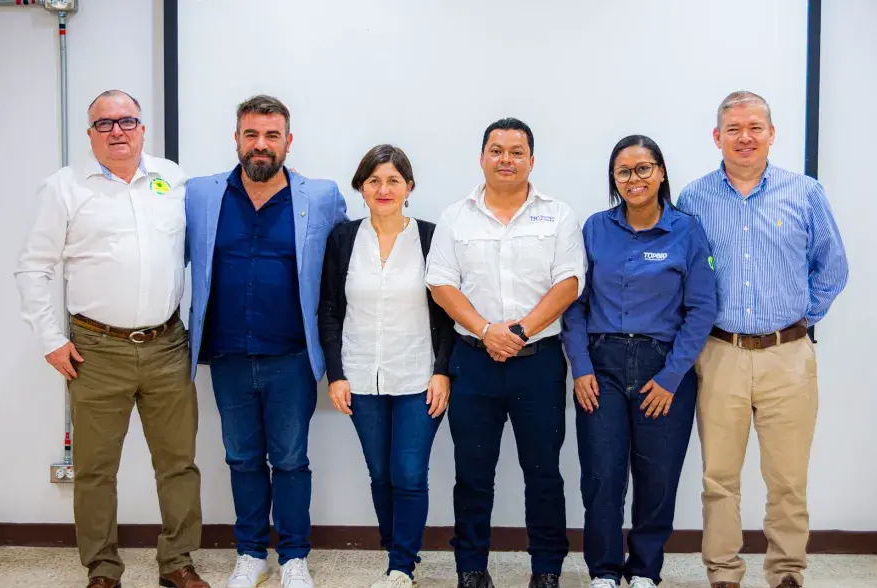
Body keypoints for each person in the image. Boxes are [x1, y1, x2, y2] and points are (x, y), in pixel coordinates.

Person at [14, 90, 209, 588]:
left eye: (126, 121)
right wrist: (50, 339)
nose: (116, 131)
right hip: (96, 350)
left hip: (167, 345)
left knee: (178, 463)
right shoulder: (64, 188)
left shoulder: (173, 180)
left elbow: (190, 252)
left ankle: (178, 562)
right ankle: (102, 568)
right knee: (95, 469)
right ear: (90, 134)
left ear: (142, 128)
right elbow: (33, 267)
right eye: (104, 124)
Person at [677, 91, 849, 588]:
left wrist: (800, 319)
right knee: (718, 478)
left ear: (772, 133)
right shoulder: (694, 199)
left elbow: (832, 267)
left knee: (788, 478)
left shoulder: (805, 193)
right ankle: (723, 572)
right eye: (733, 129)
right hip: (720, 353)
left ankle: (787, 571)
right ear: (717, 137)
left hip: (788, 357)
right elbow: (685, 276)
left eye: (755, 127)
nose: (745, 137)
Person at [185, 95, 348, 588]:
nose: (261, 144)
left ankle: (294, 556)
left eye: (271, 135)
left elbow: (339, 273)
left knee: (291, 460)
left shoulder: (321, 196)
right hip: (228, 354)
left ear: (288, 141)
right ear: (236, 139)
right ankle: (251, 553)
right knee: (241, 458)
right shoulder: (200, 194)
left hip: (292, 357)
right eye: (251, 134)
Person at [425, 118, 586, 588]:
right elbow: (441, 284)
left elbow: (569, 282)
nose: (506, 160)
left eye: (517, 152)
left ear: (532, 160)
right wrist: (486, 330)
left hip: (538, 363)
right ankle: (471, 568)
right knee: (472, 474)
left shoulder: (558, 215)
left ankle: (547, 570)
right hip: (473, 361)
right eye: (497, 151)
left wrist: (516, 332)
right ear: (482, 158)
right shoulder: (456, 217)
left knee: (544, 473)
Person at [561, 135, 718, 588]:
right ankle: (605, 571)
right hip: (602, 367)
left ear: (661, 172)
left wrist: (671, 377)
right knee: (602, 473)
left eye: (644, 168)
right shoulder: (595, 228)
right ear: (614, 179)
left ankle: (646, 569)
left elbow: (702, 309)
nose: (635, 179)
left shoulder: (687, 230)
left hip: (664, 368)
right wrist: (581, 368)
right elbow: (574, 304)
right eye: (624, 171)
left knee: (658, 475)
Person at [318, 144, 456, 588]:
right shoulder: (343, 239)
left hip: (419, 376)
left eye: (393, 180)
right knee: (380, 473)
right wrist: (336, 374)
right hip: (360, 375)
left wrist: (443, 370)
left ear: (408, 187)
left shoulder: (432, 238)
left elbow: (450, 310)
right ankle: (396, 549)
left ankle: (401, 566)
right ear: (360, 187)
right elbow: (329, 311)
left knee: (409, 473)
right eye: (374, 180)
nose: (383, 188)